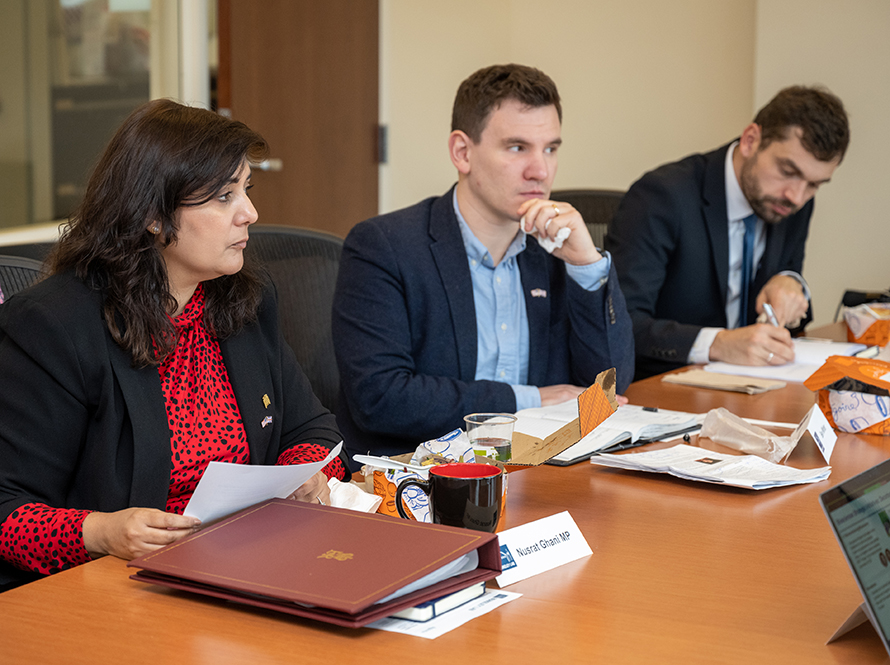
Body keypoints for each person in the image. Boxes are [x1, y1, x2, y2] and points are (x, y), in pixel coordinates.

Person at [0, 99, 349, 590]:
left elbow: (313, 429)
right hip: (111, 590)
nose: (250, 212)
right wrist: (101, 532)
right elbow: (5, 511)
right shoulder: (55, 325)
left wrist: (302, 478)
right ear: (153, 216)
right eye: (224, 197)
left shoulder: (244, 298)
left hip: (243, 567)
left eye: (246, 189)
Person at [333, 64, 634, 465]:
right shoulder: (384, 246)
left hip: (538, 472)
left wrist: (586, 264)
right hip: (415, 478)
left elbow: (609, 389)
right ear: (462, 152)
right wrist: (529, 401)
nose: (540, 170)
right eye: (517, 147)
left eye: (551, 148)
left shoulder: (555, 250)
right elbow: (381, 397)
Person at [606, 86, 850, 380]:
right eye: (788, 171)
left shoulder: (789, 202)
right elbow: (620, 323)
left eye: (815, 185)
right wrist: (719, 344)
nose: (797, 196)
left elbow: (787, 281)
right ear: (750, 141)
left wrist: (791, 282)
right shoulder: (663, 196)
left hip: (751, 384)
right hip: (666, 386)